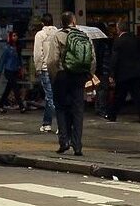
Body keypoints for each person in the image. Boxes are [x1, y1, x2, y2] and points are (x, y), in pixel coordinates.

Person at [46, 11, 96, 156]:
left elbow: (52, 60)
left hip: (62, 76)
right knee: (78, 110)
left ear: (62, 22)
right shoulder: (84, 36)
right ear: (74, 21)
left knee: (61, 108)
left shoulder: (58, 36)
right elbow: (92, 59)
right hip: (79, 77)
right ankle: (77, 145)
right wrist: (88, 75)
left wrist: (55, 75)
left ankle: (64, 142)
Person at [107, 21, 140, 122]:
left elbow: (114, 59)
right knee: (138, 95)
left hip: (123, 74)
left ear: (118, 29)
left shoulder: (118, 41)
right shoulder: (136, 39)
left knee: (119, 96)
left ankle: (112, 115)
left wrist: (111, 74)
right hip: (136, 73)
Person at [33, 14, 58, 131]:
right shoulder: (58, 33)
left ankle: (60, 124)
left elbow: (38, 54)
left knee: (50, 97)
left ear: (42, 23)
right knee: (53, 96)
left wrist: (38, 68)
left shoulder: (40, 35)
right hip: (57, 69)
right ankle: (46, 123)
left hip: (45, 68)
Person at [0, 32, 25, 113]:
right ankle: (21, 106)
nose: (15, 37)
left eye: (16, 35)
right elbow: (2, 61)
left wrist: (21, 68)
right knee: (15, 88)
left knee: (8, 89)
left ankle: (0, 105)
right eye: (13, 35)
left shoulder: (17, 48)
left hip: (15, 70)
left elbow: (19, 60)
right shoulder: (7, 49)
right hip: (8, 70)